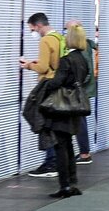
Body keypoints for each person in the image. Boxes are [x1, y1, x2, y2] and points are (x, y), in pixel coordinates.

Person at [40, 24, 89, 198]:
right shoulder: (83, 60)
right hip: (75, 108)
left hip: (62, 108)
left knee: (61, 146)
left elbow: (56, 82)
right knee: (68, 144)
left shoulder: (67, 60)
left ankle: (64, 185)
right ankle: (72, 182)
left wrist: (45, 85)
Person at [22, 12, 63, 178]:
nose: (33, 32)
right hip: (59, 85)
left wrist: (28, 65)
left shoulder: (46, 40)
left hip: (47, 85)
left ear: (38, 25)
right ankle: (55, 161)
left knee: (42, 123)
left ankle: (50, 162)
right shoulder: (59, 38)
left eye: (32, 29)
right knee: (54, 125)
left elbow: (43, 67)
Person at [65, 19, 97, 165]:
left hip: (80, 91)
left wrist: (77, 85)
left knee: (79, 121)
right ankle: (84, 152)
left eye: (67, 30)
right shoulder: (86, 46)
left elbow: (87, 71)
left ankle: (84, 153)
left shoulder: (82, 49)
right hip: (82, 90)